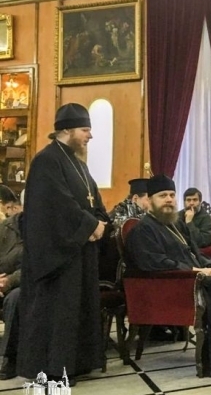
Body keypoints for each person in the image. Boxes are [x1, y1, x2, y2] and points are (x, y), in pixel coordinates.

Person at [124, 175, 211, 376]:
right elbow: (157, 264)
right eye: (163, 196)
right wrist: (197, 271)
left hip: (194, 278)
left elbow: (195, 254)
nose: (169, 199)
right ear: (149, 200)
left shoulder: (176, 224)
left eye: (172, 195)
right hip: (176, 287)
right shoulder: (143, 230)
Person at [18, 103, 108, 385]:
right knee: (59, 312)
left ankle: (77, 363)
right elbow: (56, 205)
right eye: (85, 130)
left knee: (78, 310)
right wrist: (90, 226)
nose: (90, 136)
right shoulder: (47, 161)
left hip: (79, 250)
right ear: (67, 130)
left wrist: (100, 222)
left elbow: (93, 201)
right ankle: (53, 369)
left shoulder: (77, 163)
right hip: (58, 256)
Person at [0, 189, 23, 380]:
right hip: (2, 281)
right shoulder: (5, 227)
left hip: (26, 284)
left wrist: (9, 281)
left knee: (15, 299)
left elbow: (36, 265)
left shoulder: (43, 229)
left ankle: (10, 357)